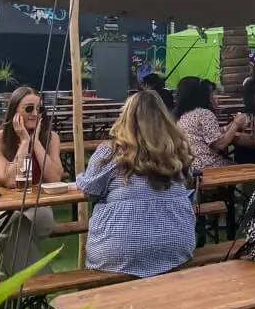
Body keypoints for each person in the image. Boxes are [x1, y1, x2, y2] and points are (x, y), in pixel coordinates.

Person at [77, 91, 197, 277]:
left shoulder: (111, 152)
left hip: (119, 247)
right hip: (176, 243)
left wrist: (78, 178)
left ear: (126, 117)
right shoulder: (177, 149)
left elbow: (88, 189)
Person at [0, 86, 64, 276]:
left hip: (38, 207)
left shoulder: (51, 138)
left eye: (40, 109)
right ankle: (40, 291)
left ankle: (10, 297)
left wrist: (35, 142)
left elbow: (54, 177)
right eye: (29, 109)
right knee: (16, 228)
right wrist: (24, 143)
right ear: (14, 111)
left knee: (16, 229)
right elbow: (10, 180)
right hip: (0, 208)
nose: (35, 114)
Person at [175, 77, 246, 174]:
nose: (214, 96)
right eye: (212, 93)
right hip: (207, 166)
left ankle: (224, 189)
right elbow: (220, 144)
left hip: (190, 166)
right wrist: (236, 124)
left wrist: (228, 127)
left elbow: (206, 133)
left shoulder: (184, 115)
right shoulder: (204, 114)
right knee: (245, 168)